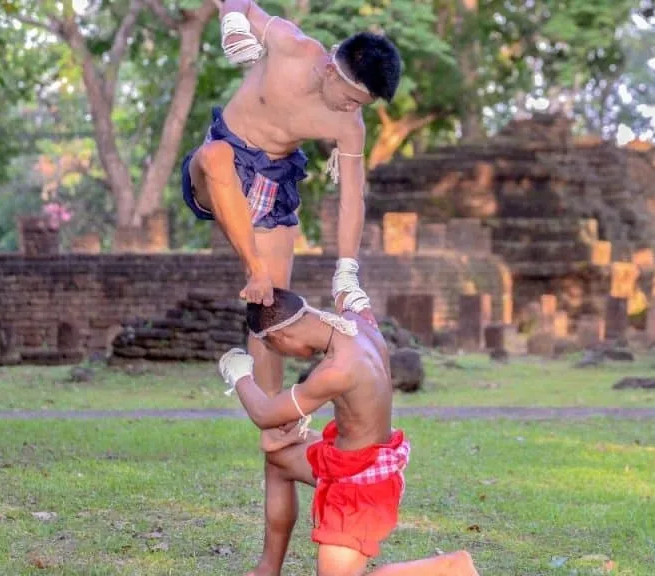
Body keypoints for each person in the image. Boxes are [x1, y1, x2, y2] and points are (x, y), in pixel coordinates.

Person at [183, 1, 396, 572]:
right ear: (331, 66)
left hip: (274, 187)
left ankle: (268, 564)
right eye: (351, 96)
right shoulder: (292, 45)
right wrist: (232, 20)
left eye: (363, 105)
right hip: (221, 168)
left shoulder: (348, 124)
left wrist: (347, 272)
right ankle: (255, 266)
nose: (352, 110)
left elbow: (352, 198)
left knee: (275, 390)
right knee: (215, 155)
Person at [217, 288, 480, 576]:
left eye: (272, 347)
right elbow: (349, 293)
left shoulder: (337, 369)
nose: (279, 354)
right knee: (279, 461)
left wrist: (239, 374)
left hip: (361, 485)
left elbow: (265, 414)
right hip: (349, 458)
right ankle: (267, 570)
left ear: (280, 337)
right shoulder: (358, 323)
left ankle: (450, 567)